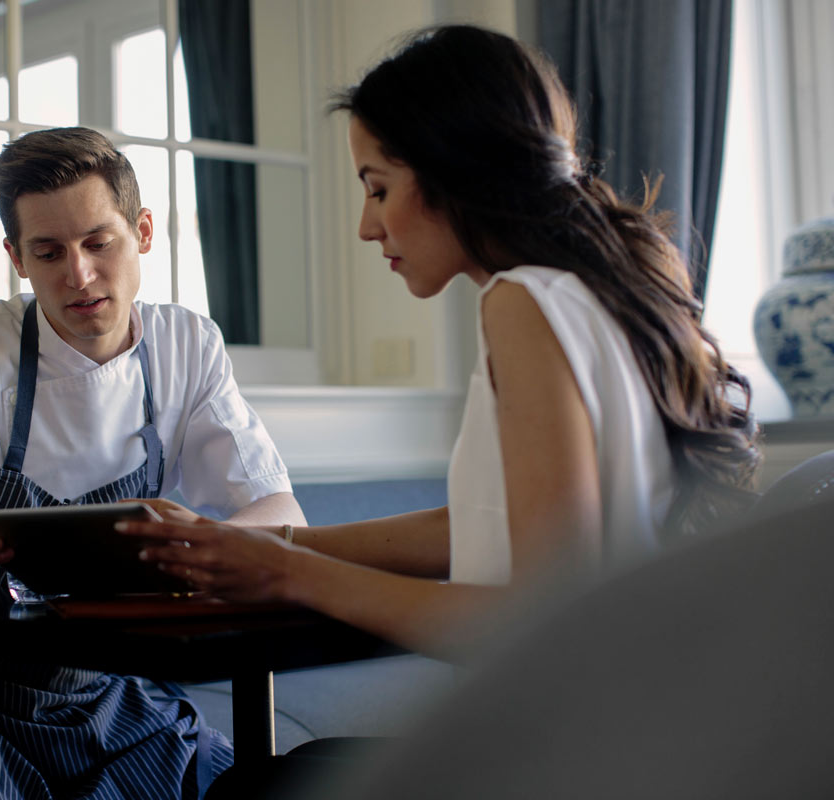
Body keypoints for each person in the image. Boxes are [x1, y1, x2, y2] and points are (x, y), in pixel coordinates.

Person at [121, 24, 761, 661]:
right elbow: (479, 525)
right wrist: (260, 544)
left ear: (454, 169)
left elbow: (543, 613)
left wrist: (284, 573)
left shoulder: (523, 303)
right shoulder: (602, 288)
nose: (367, 226)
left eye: (378, 189)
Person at [0, 126, 306, 800]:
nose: (77, 275)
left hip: (107, 695)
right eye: (48, 252)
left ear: (142, 230)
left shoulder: (187, 347)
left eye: (97, 244)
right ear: (16, 258)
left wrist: (184, 550)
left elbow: (282, 513)